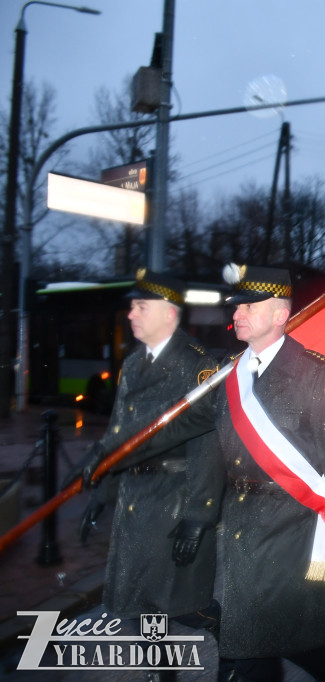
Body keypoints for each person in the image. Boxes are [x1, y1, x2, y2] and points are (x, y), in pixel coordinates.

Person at [128, 264, 325, 681]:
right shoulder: (229, 373)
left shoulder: (315, 375)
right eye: (235, 306)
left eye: (247, 306)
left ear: (279, 315)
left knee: (252, 643)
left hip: (294, 530)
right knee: (287, 641)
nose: (235, 314)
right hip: (242, 527)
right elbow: (207, 446)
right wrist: (195, 512)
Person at [69, 269, 221, 680]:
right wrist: (99, 491)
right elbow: (118, 437)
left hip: (174, 499)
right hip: (137, 500)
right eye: (132, 306)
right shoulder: (133, 365)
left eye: (140, 306)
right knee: (142, 603)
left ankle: (235, 644)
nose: (130, 314)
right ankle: (162, 674)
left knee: (187, 606)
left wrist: (199, 514)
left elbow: (209, 443)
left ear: (169, 313)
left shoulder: (197, 366)